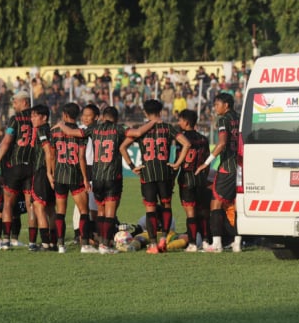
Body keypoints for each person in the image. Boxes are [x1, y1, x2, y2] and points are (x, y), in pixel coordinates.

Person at [57, 106, 158, 254]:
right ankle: (105, 245)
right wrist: (153, 121)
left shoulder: (94, 129)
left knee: (101, 212)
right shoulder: (119, 128)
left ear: (103, 117)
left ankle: (101, 243)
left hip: (97, 177)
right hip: (112, 177)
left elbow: (71, 132)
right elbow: (138, 132)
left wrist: (60, 124)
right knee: (110, 213)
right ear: (116, 118)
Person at [119, 99, 191, 254]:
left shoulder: (141, 129)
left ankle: (152, 245)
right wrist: (177, 163)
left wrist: (132, 167)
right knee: (166, 206)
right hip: (165, 172)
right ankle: (163, 239)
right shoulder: (168, 128)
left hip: (148, 173)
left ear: (145, 112)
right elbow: (186, 144)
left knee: (150, 208)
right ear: (161, 111)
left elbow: (122, 147)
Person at [195, 93, 241, 253]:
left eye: (217, 104)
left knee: (215, 203)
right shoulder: (240, 117)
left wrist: (205, 163)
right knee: (236, 203)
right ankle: (237, 242)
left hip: (228, 166)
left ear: (226, 105)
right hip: (240, 165)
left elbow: (221, 143)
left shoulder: (224, 120)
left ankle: (217, 244)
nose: (215, 108)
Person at [0, 90, 34, 250]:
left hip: (15, 167)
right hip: (32, 167)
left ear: (24, 102)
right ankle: (33, 243)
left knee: (8, 203)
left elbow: (6, 142)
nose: (13, 105)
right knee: (30, 205)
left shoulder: (16, 119)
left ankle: (6, 241)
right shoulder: (37, 117)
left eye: (15, 102)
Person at [50, 103, 93, 254]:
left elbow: (52, 155)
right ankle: (85, 245)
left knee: (60, 212)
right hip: (75, 175)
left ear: (64, 115)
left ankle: (61, 245)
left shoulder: (55, 132)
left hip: (60, 175)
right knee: (84, 211)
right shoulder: (81, 132)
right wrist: (86, 178)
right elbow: (81, 157)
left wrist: (52, 173)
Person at [175, 110, 210, 252]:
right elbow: (207, 161)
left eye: (180, 120)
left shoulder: (181, 139)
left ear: (186, 122)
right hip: (200, 179)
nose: (178, 123)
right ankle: (207, 241)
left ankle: (193, 243)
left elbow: (179, 160)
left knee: (190, 212)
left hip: (186, 178)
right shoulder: (203, 139)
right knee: (202, 211)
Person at [72, 105, 100, 245]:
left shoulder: (97, 130)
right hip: (83, 169)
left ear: (96, 117)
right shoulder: (80, 129)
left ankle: (92, 233)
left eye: (89, 115)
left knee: (93, 205)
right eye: (84, 115)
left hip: (95, 169)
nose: (85, 118)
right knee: (81, 205)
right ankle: (80, 234)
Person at [29, 104, 56, 251]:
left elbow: (48, 151)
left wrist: (48, 173)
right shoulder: (52, 130)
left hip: (42, 172)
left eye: (35, 115)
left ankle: (45, 243)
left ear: (44, 117)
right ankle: (53, 242)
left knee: (39, 206)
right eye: (31, 115)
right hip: (51, 171)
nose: (32, 118)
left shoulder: (41, 130)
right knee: (51, 207)